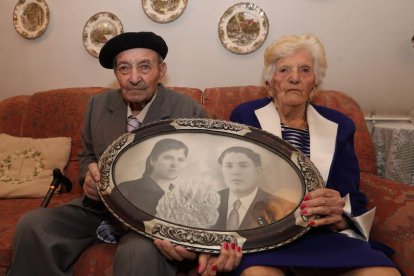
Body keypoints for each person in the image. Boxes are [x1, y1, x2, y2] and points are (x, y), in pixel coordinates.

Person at [8, 31, 240, 276]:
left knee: (137, 253)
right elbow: (87, 156)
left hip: (154, 216)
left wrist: (177, 227)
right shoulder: (97, 105)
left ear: (161, 71)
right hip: (100, 208)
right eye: (124, 68)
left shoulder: (188, 111)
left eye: (144, 67)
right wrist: (87, 177)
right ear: (116, 73)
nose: (134, 78)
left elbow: (207, 179)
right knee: (33, 225)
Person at [228, 34, 400, 275]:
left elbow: (353, 196)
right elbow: (230, 180)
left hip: (324, 234)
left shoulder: (339, 125)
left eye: (305, 70)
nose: (295, 78)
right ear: (270, 83)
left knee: (384, 274)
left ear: (315, 85)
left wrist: (340, 214)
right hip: (266, 235)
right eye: (284, 70)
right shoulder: (246, 117)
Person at [212, 146, 296, 230]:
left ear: (258, 171)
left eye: (243, 166)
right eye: (229, 166)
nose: (235, 172)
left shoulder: (282, 207)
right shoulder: (208, 201)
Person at [117, 138, 189, 215]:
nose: (174, 165)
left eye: (180, 160)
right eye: (168, 158)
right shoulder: (126, 189)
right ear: (153, 160)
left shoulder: (182, 195)